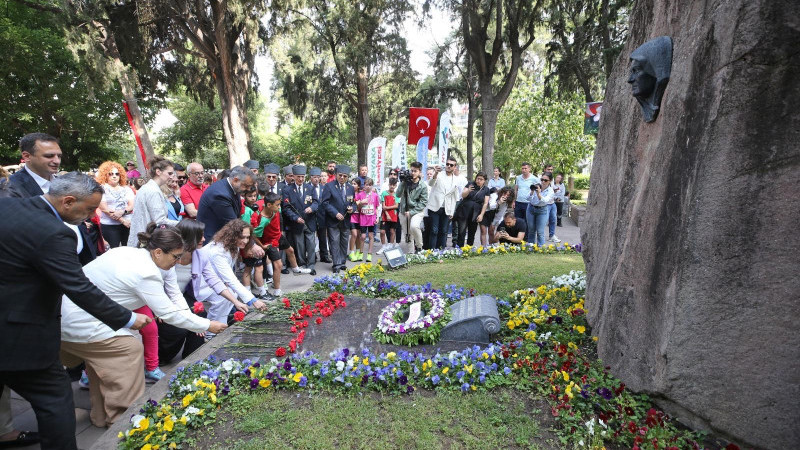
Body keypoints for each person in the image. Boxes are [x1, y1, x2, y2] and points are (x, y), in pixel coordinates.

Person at [0, 172, 151, 449]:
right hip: (19, 334)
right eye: (90, 208)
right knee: (55, 401)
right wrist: (127, 318)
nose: (93, 214)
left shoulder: (8, 206)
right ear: (68, 201)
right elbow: (78, 287)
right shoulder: (54, 232)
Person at [59, 223, 227, 427]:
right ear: (158, 252)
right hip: (80, 320)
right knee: (128, 351)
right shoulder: (145, 272)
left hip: (79, 316)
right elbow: (168, 313)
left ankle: (100, 415)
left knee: (101, 366)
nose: (178, 261)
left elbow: (175, 296)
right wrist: (207, 325)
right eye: (175, 257)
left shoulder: (140, 256)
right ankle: (123, 422)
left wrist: (195, 322)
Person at [199, 220, 267, 330]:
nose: (245, 241)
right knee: (223, 298)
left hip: (215, 280)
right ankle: (213, 330)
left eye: (247, 237)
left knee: (232, 293)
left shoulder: (232, 245)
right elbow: (230, 278)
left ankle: (225, 320)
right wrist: (253, 300)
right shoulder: (218, 251)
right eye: (242, 237)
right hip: (201, 283)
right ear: (232, 235)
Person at [255, 193, 311, 296]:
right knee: (278, 265)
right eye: (277, 205)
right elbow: (255, 235)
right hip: (269, 242)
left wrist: (280, 231)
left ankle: (296, 269)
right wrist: (262, 246)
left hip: (278, 236)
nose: (279, 207)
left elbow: (280, 218)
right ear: (269, 205)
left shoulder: (275, 209)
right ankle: (277, 290)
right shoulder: (262, 220)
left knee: (290, 250)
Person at [127, 156, 179, 246]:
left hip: (141, 238)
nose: (172, 177)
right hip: (145, 241)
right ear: (158, 172)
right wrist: (184, 224)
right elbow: (160, 221)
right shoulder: (153, 190)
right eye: (170, 173)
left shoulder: (149, 187)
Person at [196, 166, 257, 243]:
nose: (248, 189)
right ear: (235, 180)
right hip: (211, 242)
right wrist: (252, 245)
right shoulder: (220, 195)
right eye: (246, 186)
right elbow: (234, 224)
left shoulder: (234, 187)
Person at [320, 165, 356, 273]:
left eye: (345, 176)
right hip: (333, 220)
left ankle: (342, 262)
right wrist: (335, 213)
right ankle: (336, 264)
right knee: (334, 242)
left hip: (346, 219)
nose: (342, 178)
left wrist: (352, 209)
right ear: (336, 175)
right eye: (340, 175)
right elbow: (325, 203)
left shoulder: (350, 188)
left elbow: (353, 203)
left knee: (344, 242)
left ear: (347, 177)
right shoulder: (329, 186)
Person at [283, 165, 318, 274]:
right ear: (293, 176)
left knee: (311, 244)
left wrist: (311, 208)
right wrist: (295, 218)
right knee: (300, 245)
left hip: (309, 221)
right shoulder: (287, 190)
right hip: (297, 223)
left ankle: (311, 265)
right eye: (298, 176)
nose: (301, 179)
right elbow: (286, 208)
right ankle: (302, 264)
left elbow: (316, 202)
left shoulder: (310, 188)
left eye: (302, 176)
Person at [96, 161, 134, 248]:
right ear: (105, 175)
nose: (114, 176)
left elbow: (132, 205)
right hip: (110, 226)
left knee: (128, 249)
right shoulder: (101, 189)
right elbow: (105, 209)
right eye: (111, 174)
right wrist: (122, 220)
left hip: (128, 224)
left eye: (117, 174)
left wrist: (123, 212)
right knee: (115, 251)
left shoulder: (127, 189)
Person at [426, 157, 460, 249]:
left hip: (447, 208)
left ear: (455, 167)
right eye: (447, 164)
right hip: (435, 206)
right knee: (434, 230)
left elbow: (455, 197)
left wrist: (452, 212)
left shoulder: (456, 179)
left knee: (444, 231)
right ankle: (432, 251)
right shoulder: (438, 174)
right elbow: (430, 184)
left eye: (451, 165)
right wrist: (436, 173)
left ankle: (441, 250)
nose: (448, 166)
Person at [395, 162, 428, 253]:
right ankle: (410, 254)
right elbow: (397, 195)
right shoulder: (406, 182)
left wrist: (412, 212)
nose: (413, 173)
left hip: (417, 211)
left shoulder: (423, 186)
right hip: (403, 212)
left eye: (415, 171)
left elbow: (423, 202)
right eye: (411, 171)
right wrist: (403, 182)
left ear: (420, 172)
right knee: (407, 235)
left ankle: (419, 247)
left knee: (414, 226)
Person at [240, 189, 267, 298]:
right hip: (250, 243)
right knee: (255, 268)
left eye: (255, 196)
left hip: (252, 241)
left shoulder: (252, 208)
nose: (253, 198)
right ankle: (260, 293)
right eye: (250, 196)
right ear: (244, 196)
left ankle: (248, 293)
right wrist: (249, 246)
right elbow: (246, 229)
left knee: (250, 268)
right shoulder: (246, 211)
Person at [454, 171, 490, 247]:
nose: (479, 181)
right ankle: (459, 248)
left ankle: (469, 248)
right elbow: (463, 195)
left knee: (472, 231)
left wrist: (481, 215)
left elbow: (485, 203)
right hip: (464, 211)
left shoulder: (486, 189)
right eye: (478, 178)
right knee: (461, 231)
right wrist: (468, 190)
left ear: (484, 181)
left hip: (475, 213)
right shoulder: (470, 184)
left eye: (481, 179)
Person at [309, 167, 331, 263]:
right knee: (311, 238)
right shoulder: (307, 187)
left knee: (322, 237)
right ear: (311, 178)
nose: (317, 179)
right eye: (314, 177)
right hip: (310, 216)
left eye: (318, 177)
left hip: (322, 216)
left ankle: (324, 256)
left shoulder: (324, 188)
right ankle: (312, 256)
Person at [527, 171, 555, 247]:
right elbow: (528, 199)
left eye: (545, 180)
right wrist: (532, 192)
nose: (543, 182)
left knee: (540, 231)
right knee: (531, 230)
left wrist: (539, 194)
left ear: (550, 181)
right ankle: (530, 247)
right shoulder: (536, 186)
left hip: (542, 210)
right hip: (531, 208)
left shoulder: (550, 191)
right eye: (542, 179)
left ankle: (541, 248)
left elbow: (545, 201)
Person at [355, 178, 380, 261]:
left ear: (372, 186)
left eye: (370, 185)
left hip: (372, 218)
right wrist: (361, 203)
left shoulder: (375, 195)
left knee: (370, 236)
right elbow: (357, 207)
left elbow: (377, 207)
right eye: (366, 185)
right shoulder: (360, 194)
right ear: (364, 185)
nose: (368, 187)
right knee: (362, 236)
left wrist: (377, 217)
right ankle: (361, 253)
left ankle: (369, 254)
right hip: (363, 218)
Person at [378, 178, 399, 253]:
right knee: (382, 232)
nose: (392, 186)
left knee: (392, 231)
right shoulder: (384, 193)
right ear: (388, 184)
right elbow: (383, 206)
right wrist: (387, 214)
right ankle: (383, 246)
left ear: (396, 185)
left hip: (394, 215)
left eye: (394, 185)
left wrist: (387, 207)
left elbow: (396, 206)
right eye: (391, 184)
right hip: (385, 215)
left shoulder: (397, 194)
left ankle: (390, 246)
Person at [348, 178, 362, 261]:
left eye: (355, 184)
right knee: (354, 234)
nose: (353, 185)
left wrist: (360, 203)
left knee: (358, 235)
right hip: (352, 217)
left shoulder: (361, 194)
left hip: (360, 217)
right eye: (352, 183)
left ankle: (358, 251)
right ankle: (351, 252)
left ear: (358, 186)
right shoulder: (349, 193)